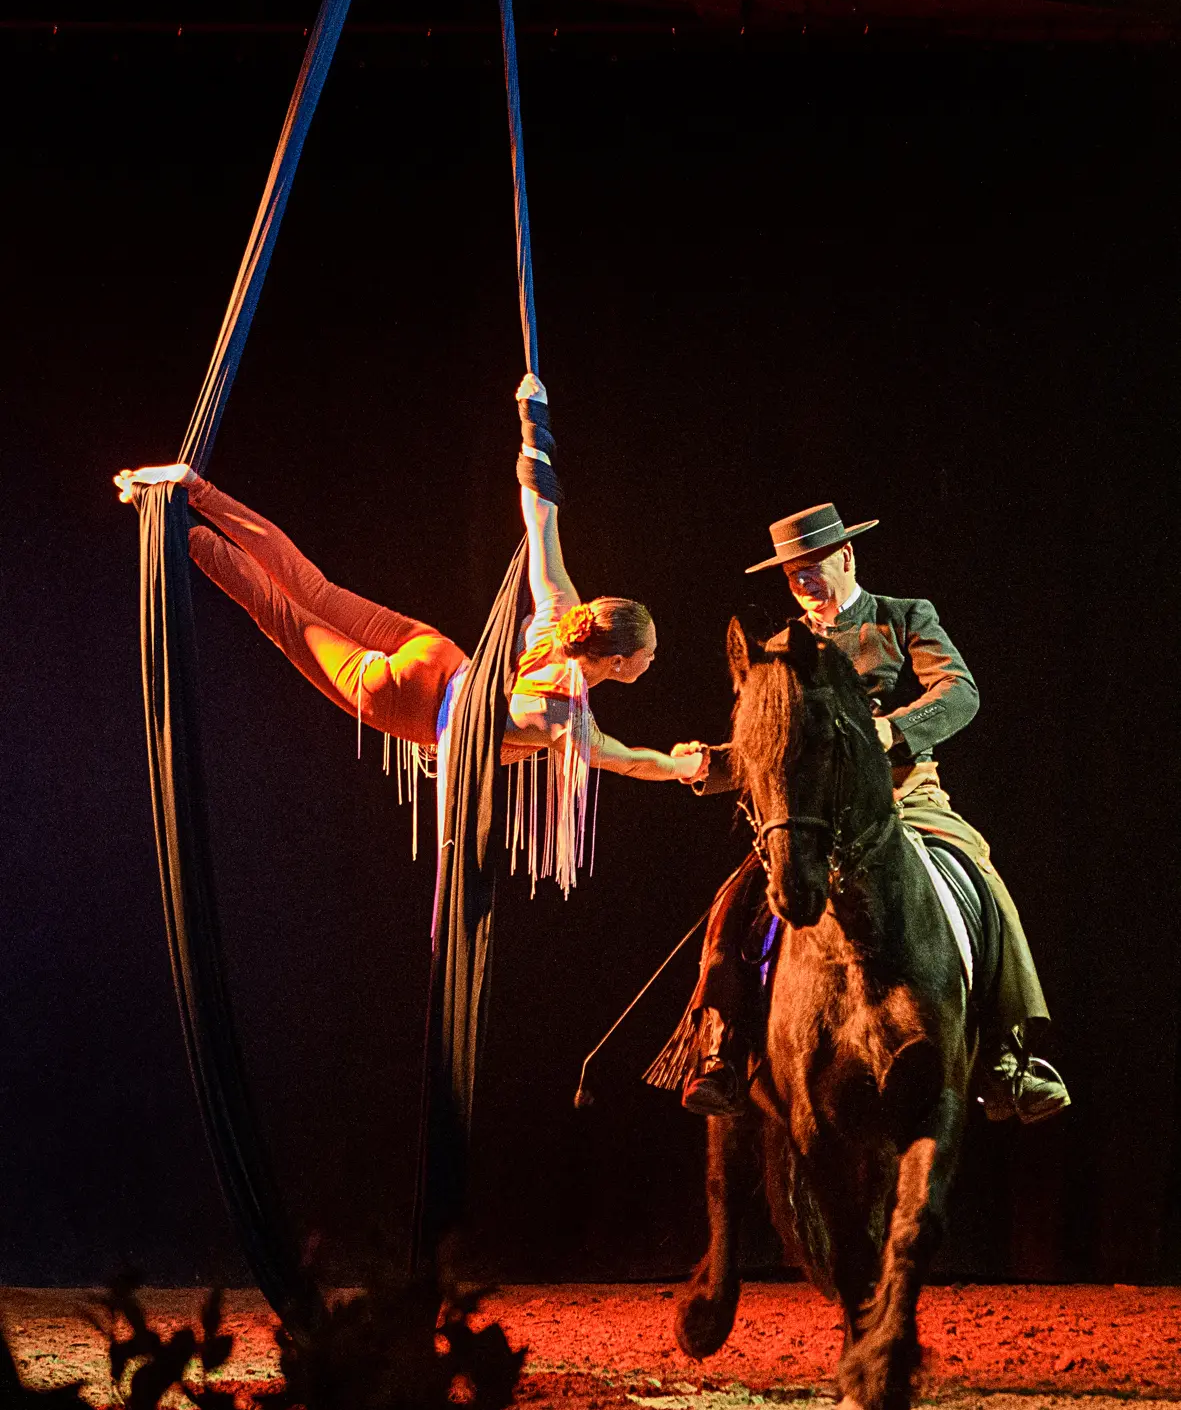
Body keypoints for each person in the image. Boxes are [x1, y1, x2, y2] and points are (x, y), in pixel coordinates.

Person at [115, 375, 702, 896]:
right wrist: (681, 769)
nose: (653, 662)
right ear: (618, 661)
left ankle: (197, 490)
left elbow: (541, 516)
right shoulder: (568, 720)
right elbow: (630, 763)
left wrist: (535, 422)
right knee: (280, 614)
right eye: (649, 655)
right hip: (407, 698)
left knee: (310, 587)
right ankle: (176, 527)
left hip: (437, 653)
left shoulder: (560, 608)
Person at [663, 502, 1068, 1125]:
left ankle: (1006, 1052)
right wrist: (708, 766)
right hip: (816, 813)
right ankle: (721, 1044)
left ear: (846, 557)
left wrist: (893, 730)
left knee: (980, 875)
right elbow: (773, 743)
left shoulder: (903, 617)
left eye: (812, 569)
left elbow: (960, 691)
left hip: (904, 796)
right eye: (792, 576)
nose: (803, 584)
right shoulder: (780, 649)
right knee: (736, 899)